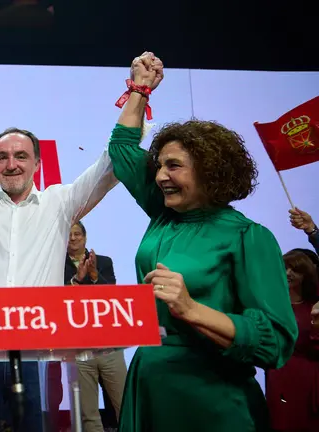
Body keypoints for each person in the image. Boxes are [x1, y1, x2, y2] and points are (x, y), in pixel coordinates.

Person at [0, 54, 155, 431]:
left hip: (41, 354)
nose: (12, 164)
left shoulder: (60, 203)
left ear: (37, 163)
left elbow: (110, 165)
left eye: (21, 156)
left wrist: (138, 92)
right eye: (2, 157)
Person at [111, 52, 298, 432]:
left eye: (174, 166)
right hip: (150, 384)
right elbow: (123, 150)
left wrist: (190, 308)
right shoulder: (164, 212)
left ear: (210, 172)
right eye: (159, 165)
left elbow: (277, 342)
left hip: (210, 398)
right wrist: (140, 89)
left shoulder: (247, 237)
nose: (160, 176)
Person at [64, 221, 125, 432]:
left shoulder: (104, 262)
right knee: (88, 415)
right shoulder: (56, 264)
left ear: (85, 237)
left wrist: (94, 276)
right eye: (69, 234)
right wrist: (77, 280)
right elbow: (57, 301)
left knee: (125, 406)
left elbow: (112, 296)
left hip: (109, 346)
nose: (73, 238)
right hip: (79, 349)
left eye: (77, 234)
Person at [266, 249, 319, 431]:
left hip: (308, 377)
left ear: (306, 275)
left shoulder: (313, 308)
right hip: (278, 374)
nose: (288, 273)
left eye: (295, 269)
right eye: (285, 268)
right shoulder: (270, 306)